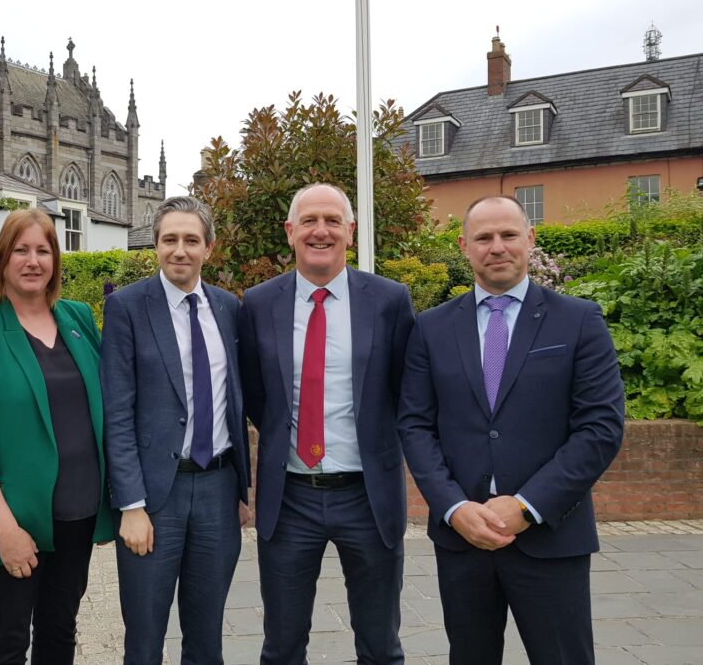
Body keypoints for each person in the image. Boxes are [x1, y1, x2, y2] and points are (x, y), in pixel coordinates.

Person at [398, 195, 624, 664]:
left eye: (508, 235)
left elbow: (600, 427)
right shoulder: (432, 328)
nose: (496, 247)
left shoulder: (579, 320)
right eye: (483, 238)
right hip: (464, 538)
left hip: (550, 536)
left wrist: (528, 506)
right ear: (464, 246)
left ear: (530, 239)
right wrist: (454, 508)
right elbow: (416, 426)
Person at [239, 183, 413, 665]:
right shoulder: (258, 303)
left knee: (380, 645)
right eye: (310, 221)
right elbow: (255, 394)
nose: (322, 231)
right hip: (290, 497)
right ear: (290, 232)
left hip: (368, 496)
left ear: (350, 232)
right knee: (282, 645)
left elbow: (405, 392)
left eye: (333, 221)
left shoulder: (389, 300)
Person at [0, 209, 114, 665]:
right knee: (7, 641)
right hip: (13, 523)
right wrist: (5, 530)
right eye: (21, 250)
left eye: (43, 250)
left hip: (77, 513)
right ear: (2, 259)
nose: (33, 261)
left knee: (60, 632)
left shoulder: (78, 318)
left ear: (56, 260)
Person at [101, 196, 251, 665]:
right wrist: (131, 505)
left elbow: (238, 403)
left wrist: (243, 491)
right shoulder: (127, 307)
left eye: (191, 240)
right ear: (156, 245)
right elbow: (117, 412)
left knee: (207, 639)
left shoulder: (229, 308)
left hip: (217, 490)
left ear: (209, 247)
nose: (179, 250)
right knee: (144, 641)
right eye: (170, 240)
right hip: (153, 499)